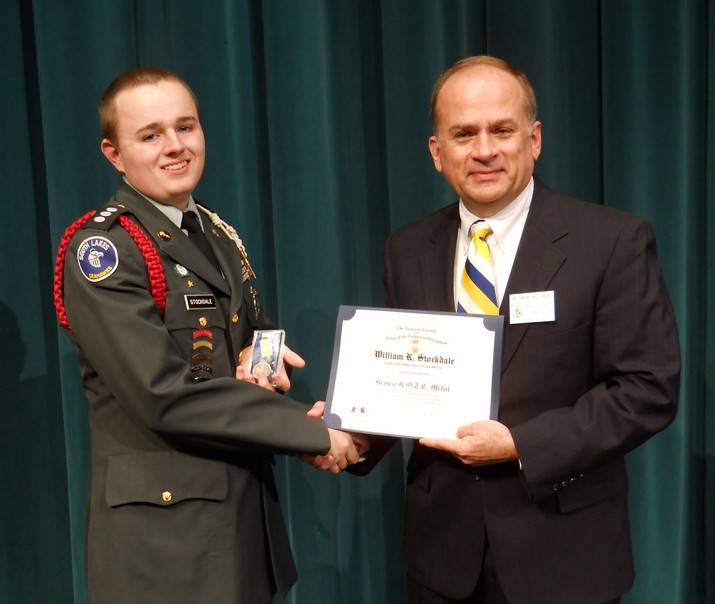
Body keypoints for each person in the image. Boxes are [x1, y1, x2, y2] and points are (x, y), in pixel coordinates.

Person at [342, 56, 681, 604]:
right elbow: (406, 386)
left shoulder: (610, 241)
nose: (484, 150)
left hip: (564, 555)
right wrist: (350, 437)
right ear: (437, 152)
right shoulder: (406, 249)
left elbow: (648, 390)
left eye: (501, 129)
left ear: (535, 138)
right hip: (441, 560)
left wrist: (520, 444)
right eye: (463, 134)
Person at [53, 67, 360, 604]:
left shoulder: (213, 231)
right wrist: (315, 433)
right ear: (114, 154)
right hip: (167, 544)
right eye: (150, 135)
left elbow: (245, 336)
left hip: (240, 521)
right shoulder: (103, 251)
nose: (175, 146)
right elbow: (163, 396)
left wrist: (261, 359)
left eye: (186, 127)